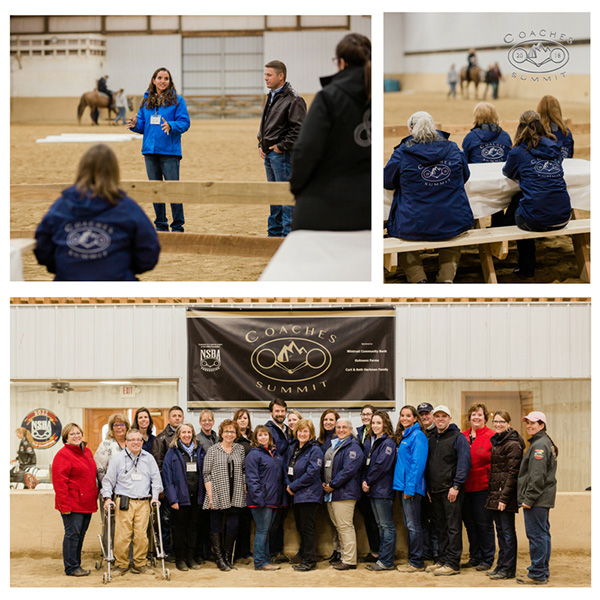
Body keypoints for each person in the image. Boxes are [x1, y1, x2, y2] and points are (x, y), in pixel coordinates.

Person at [34, 144, 160, 281]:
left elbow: (42, 247)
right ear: (114, 172)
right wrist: (122, 267)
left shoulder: (61, 206)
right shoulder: (127, 207)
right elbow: (149, 251)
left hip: (69, 285)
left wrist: (64, 267)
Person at [290, 33, 371, 232]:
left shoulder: (328, 97)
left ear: (341, 62)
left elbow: (305, 150)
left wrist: (297, 188)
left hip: (328, 205)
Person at [384, 111, 473, 283]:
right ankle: (446, 278)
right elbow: (465, 175)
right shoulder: (453, 148)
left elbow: (387, 181)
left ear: (411, 130)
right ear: (433, 128)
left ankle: (418, 279)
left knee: (402, 238)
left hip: (413, 224)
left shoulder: (403, 152)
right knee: (453, 234)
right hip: (451, 220)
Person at [502, 110, 572, 280]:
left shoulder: (518, 151)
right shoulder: (554, 147)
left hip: (536, 220)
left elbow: (508, 172)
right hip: (563, 216)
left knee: (521, 203)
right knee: (524, 199)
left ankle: (526, 266)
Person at [127, 67, 190, 233]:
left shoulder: (177, 100)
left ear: (170, 82)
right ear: (153, 80)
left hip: (170, 153)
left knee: (173, 190)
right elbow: (143, 125)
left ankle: (178, 227)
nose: (163, 81)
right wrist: (135, 125)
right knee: (156, 191)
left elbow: (185, 123)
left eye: (166, 78)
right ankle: (161, 226)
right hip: (150, 152)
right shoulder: (146, 101)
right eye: (160, 78)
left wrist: (172, 125)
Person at [101, 428, 163, 576]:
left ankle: (140, 563)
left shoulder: (149, 458)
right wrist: (108, 498)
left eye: (138, 440)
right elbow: (108, 481)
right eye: (132, 440)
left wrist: (155, 496)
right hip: (124, 501)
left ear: (142, 442)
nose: (136, 443)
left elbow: (156, 480)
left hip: (144, 502)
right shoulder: (117, 459)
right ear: (126, 442)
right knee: (122, 535)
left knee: (141, 535)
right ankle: (121, 564)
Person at [257, 60, 307, 237]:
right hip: (270, 154)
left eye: (269, 75)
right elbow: (266, 123)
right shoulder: (272, 95)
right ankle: (274, 235)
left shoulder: (294, 99)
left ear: (281, 76)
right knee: (274, 196)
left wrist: (281, 146)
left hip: (283, 155)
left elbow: (299, 129)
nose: (265, 78)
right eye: (265, 75)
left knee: (286, 197)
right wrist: (260, 142)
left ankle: (288, 237)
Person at [425, 405, 471, 576]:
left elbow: (464, 463)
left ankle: (452, 563)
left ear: (449, 419)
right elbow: (429, 466)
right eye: (437, 416)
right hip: (435, 491)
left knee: (453, 527)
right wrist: (429, 488)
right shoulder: (431, 439)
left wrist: (456, 486)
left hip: (451, 491)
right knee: (440, 527)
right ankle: (442, 560)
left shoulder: (458, 438)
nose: (440, 419)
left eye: (444, 416)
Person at [516, 411, 558, 585]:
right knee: (542, 534)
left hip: (537, 500)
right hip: (542, 499)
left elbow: (537, 476)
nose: (529, 426)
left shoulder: (539, 445)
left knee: (536, 536)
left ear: (542, 425)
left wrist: (529, 499)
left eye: (533, 423)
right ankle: (541, 570)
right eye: (528, 423)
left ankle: (538, 573)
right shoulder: (542, 442)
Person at [52, 423, 98, 576]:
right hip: (72, 504)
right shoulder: (63, 455)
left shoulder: (87, 452)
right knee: (72, 535)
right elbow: (60, 483)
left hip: (87, 503)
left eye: (78, 433)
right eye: (72, 434)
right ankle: (71, 567)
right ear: (66, 437)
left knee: (80, 535)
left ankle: (76, 565)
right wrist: (64, 506)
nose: (76, 436)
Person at [485, 410, 525, 580]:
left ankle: (508, 569)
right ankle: (501, 565)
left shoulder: (513, 444)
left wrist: (503, 498)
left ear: (509, 423)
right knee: (500, 532)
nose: (498, 424)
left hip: (505, 496)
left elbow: (512, 474)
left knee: (507, 533)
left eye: (502, 421)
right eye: (495, 421)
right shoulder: (499, 441)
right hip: (496, 493)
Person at [202, 419, 246, 572]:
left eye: (232, 431)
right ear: (221, 433)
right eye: (226, 431)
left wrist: (245, 488)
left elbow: (244, 471)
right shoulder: (213, 450)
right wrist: (211, 496)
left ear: (236, 434)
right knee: (215, 525)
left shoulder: (239, 449)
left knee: (233, 525)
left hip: (236, 493)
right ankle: (219, 557)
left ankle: (227, 557)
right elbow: (206, 474)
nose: (229, 434)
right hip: (217, 493)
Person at [161, 422, 206, 572]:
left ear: (192, 434)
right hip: (180, 499)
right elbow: (167, 478)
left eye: (189, 432)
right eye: (183, 432)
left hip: (196, 498)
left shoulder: (199, 450)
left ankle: (191, 558)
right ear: (178, 435)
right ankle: (180, 559)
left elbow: (205, 473)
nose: (186, 435)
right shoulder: (172, 452)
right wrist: (173, 499)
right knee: (179, 530)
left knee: (193, 529)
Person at [322, 418, 364, 570]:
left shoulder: (353, 446)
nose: (340, 430)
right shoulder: (335, 445)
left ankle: (349, 560)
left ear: (350, 429)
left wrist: (332, 485)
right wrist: (324, 483)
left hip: (345, 494)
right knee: (339, 527)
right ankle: (343, 556)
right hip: (332, 494)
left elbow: (348, 470)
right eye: (338, 427)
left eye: (344, 427)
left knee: (345, 527)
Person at [393, 406, 429, 573]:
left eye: (408, 415)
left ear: (415, 418)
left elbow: (417, 464)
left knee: (413, 526)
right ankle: (414, 559)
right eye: (402, 415)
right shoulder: (405, 436)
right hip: (404, 487)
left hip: (412, 489)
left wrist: (410, 488)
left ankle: (416, 562)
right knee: (410, 525)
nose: (404, 418)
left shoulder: (418, 436)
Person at [460, 403, 496, 572]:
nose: (476, 417)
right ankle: (475, 556)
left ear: (485, 417)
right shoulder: (463, 436)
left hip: (483, 488)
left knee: (484, 524)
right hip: (465, 488)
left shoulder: (492, 436)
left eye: (479, 415)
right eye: (473, 414)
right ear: (469, 417)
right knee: (470, 524)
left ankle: (487, 558)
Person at [285, 418, 324, 572]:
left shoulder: (315, 450)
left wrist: (293, 486)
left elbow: (312, 473)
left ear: (311, 433)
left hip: (309, 495)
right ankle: (305, 558)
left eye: (305, 431)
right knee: (301, 528)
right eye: (300, 430)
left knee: (307, 529)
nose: (302, 433)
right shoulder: (294, 448)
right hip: (296, 495)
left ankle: (309, 562)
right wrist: (288, 484)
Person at [246, 425, 286, 571]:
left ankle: (266, 560)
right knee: (262, 530)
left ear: (270, 437)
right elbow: (252, 479)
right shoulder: (254, 455)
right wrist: (259, 499)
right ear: (256, 438)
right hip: (261, 501)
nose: (263, 437)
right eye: (260, 435)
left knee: (266, 531)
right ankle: (259, 562)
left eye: (265, 435)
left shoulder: (274, 454)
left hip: (273, 500)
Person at [362, 411, 397, 572]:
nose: (375, 426)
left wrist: (368, 481)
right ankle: (383, 559)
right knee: (380, 526)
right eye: (373, 423)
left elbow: (381, 466)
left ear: (385, 424)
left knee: (386, 526)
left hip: (383, 490)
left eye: (378, 423)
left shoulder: (387, 442)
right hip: (374, 490)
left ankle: (387, 561)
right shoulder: (372, 441)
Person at [152, 405, 185, 560]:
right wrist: (162, 488)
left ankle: (178, 550)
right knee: (165, 522)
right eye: (174, 416)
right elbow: (157, 466)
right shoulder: (161, 438)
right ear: (169, 418)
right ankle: (166, 550)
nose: (177, 418)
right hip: (167, 488)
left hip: (183, 488)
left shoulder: (186, 435)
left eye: (179, 416)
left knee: (178, 523)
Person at [264, 399, 292, 563]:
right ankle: (268, 553)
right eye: (277, 411)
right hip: (273, 481)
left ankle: (277, 552)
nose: (280, 414)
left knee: (280, 519)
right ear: (271, 413)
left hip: (286, 482)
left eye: (283, 411)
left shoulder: (289, 430)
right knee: (270, 521)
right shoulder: (267, 430)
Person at [355, 403, 380, 563]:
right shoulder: (358, 433)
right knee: (368, 519)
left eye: (368, 414)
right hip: (360, 482)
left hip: (374, 483)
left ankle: (378, 552)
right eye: (363, 414)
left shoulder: (377, 434)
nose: (365, 417)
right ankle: (373, 551)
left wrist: (368, 480)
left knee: (376, 520)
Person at [416, 402, 439, 564]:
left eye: (427, 413)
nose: (424, 416)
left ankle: (437, 553)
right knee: (422, 521)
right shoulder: (417, 433)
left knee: (436, 521)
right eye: (421, 414)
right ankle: (427, 553)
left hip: (434, 486)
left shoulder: (438, 434)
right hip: (419, 485)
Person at [196, 408, 218, 561]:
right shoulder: (197, 439)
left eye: (209, 420)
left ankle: (210, 552)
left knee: (213, 521)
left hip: (217, 483)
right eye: (204, 420)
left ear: (213, 422)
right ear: (200, 422)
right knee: (201, 521)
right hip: (202, 482)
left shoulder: (217, 437)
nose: (207, 422)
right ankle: (200, 552)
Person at [233, 408, 253, 564]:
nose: (242, 420)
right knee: (236, 520)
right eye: (240, 418)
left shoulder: (253, 439)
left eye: (245, 418)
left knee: (247, 520)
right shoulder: (233, 439)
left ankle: (246, 551)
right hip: (236, 485)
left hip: (251, 485)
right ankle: (236, 552)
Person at [94, 412, 130, 487]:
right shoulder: (105, 445)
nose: (119, 427)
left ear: (126, 427)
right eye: (116, 425)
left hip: (131, 489)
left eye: (122, 424)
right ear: (111, 428)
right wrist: (107, 487)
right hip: (111, 489)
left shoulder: (132, 443)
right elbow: (99, 469)